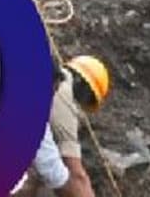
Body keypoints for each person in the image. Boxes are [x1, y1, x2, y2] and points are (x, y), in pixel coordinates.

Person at [42, 56, 108, 197]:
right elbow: (76, 173)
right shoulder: (65, 96)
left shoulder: (55, 81)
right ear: (81, 83)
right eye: (87, 98)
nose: (81, 105)